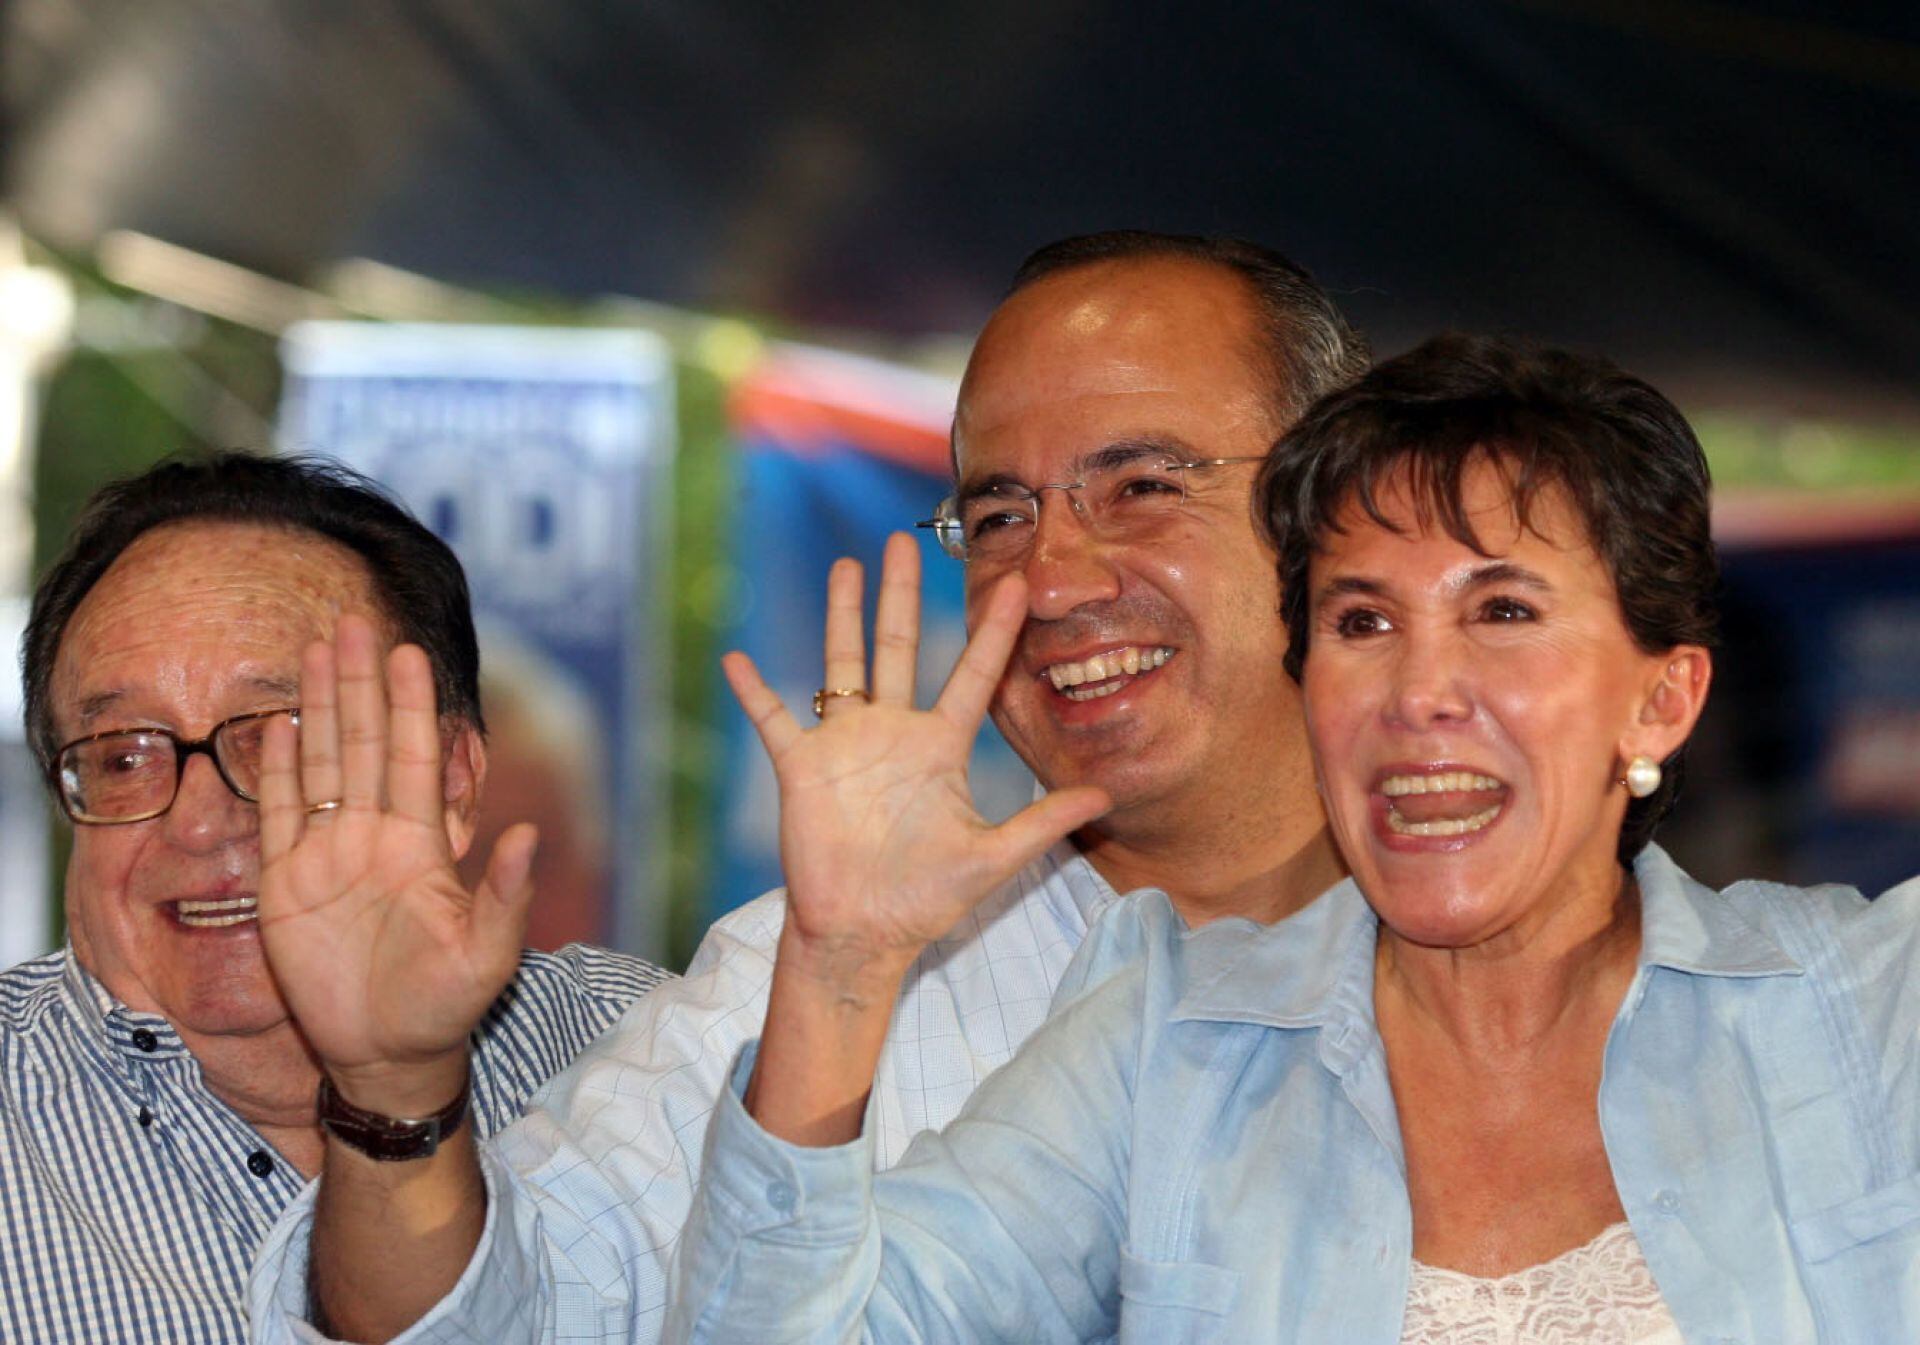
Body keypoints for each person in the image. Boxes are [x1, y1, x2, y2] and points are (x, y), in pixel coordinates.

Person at [665, 334, 1920, 1343]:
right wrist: (841, 964)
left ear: (1663, 697)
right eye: (1362, 622)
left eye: (1502, 610)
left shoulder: (1865, 1011)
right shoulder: (1170, 1042)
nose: (1420, 691)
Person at [243, 231, 1368, 1342]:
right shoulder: (831, 966)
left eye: (1142, 486)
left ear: (1335, 507)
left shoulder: (1459, 947)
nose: (1054, 580)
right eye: (999, 517)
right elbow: (493, 1316)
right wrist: (392, 1091)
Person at [0, 453, 671, 1345]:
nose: (197, 822)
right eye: (124, 756)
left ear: (452, 780)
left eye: (284, 739)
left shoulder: (652, 1065)